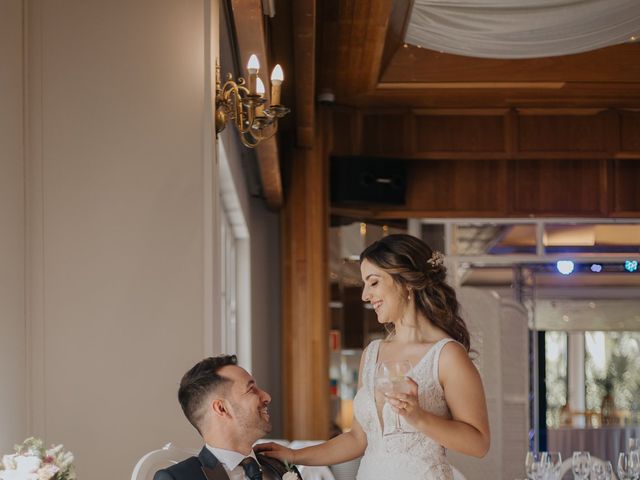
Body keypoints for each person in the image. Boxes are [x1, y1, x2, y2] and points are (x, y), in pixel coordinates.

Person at [256, 234, 490, 479]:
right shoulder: (372, 353)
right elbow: (358, 439)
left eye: (374, 282)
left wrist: (418, 417)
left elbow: (479, 443)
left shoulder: (447, 355)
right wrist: (294, 456)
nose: (365, 295)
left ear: (406, 282)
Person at [154, 355, 300, 480]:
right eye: (251, 389)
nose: (267, 397)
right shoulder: (178, 478)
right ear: (222, 408)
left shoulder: (279, 465)